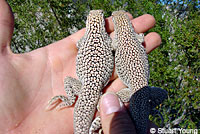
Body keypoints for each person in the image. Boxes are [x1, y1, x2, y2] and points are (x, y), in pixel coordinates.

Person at [0, 0, 161, 133]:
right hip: (96, 87)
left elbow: (79, 44)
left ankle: (73, 101)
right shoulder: (107, 39)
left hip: (86, 87)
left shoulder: (85, 39)